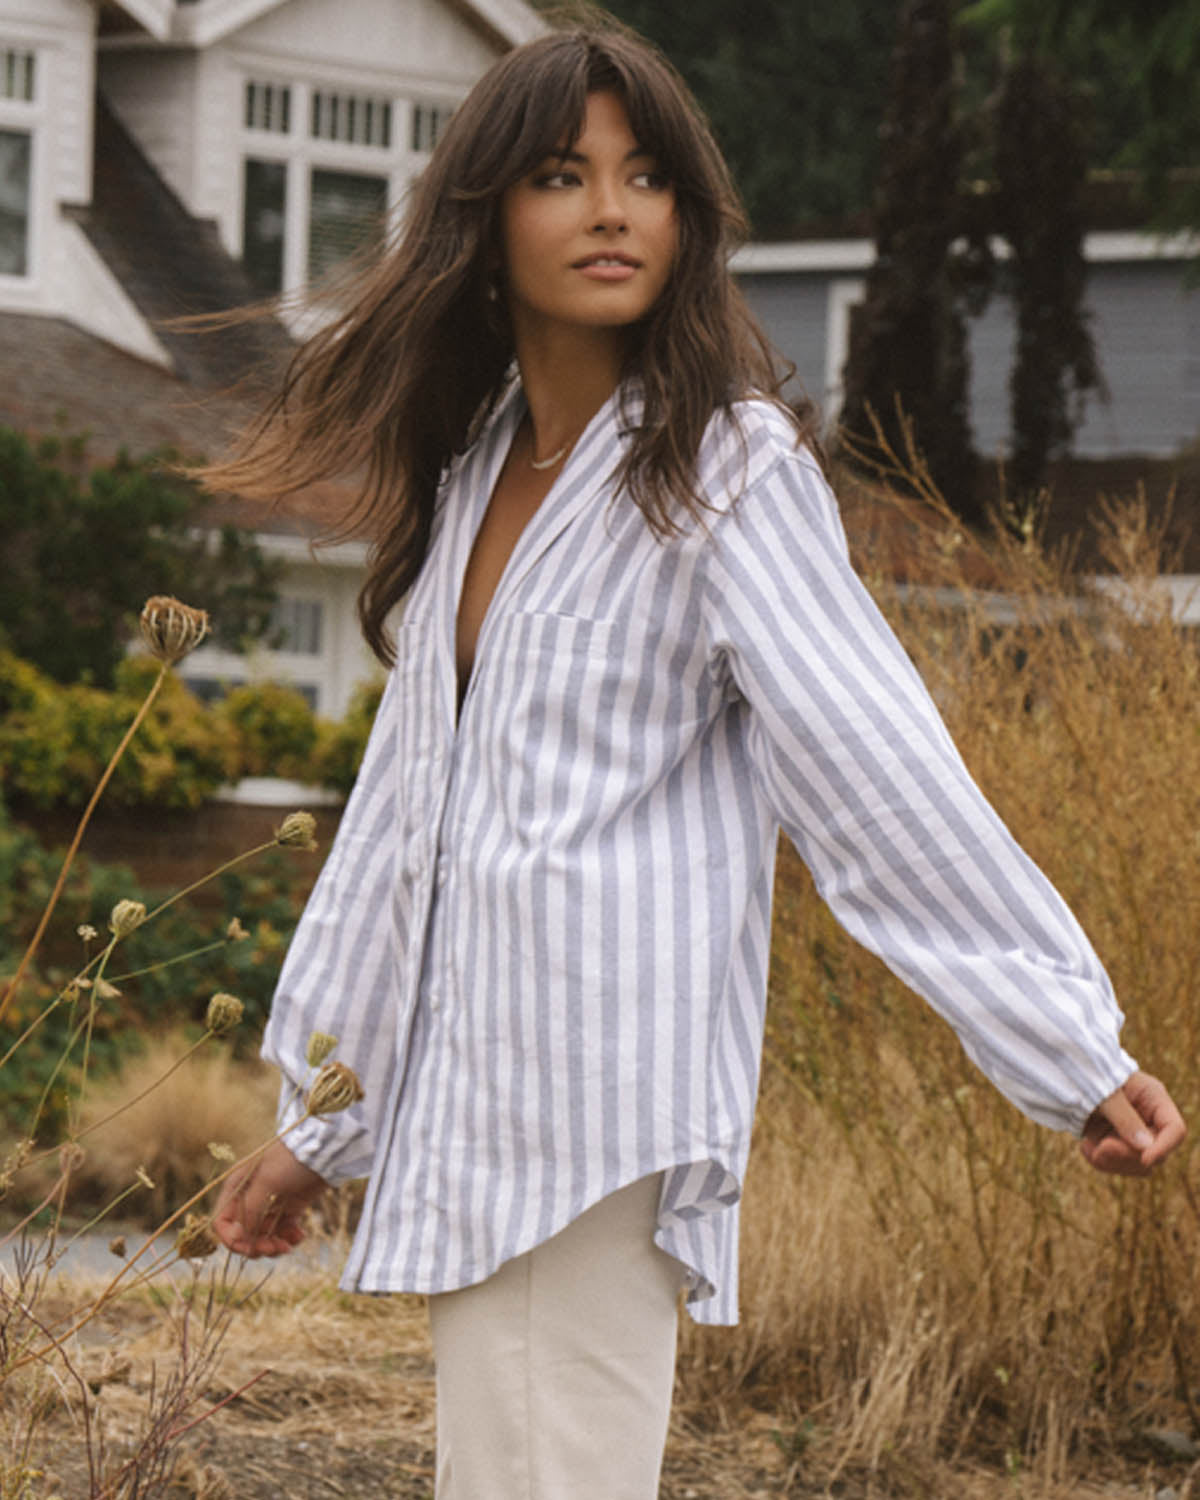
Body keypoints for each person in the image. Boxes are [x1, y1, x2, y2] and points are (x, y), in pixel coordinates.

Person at [209, 20, 1185, 1499]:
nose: (612, 208)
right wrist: (320, 1121)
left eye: (646, 174)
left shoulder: (723, 469)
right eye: (561, 174)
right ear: (485, 225)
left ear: (688, 217)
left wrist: (1062, 1040)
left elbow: (876, 771)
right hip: (477, 1108)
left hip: (599, 1109)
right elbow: (405, 832)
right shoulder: (476, 478)